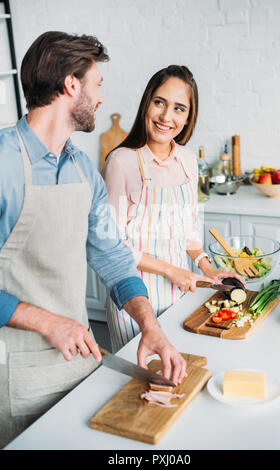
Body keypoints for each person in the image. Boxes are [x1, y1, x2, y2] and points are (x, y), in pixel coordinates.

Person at [0, 32, 186, 449]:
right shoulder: (3, 164)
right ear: (71, 84)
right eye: (97, 83)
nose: (101, 97)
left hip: (78, 365)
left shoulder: (83, 169)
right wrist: (46, 321)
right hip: (13, 376)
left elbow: (115, 261)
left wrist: (149, 327)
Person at [102, 65, 244, 352]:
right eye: (159, 103)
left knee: (179, 374)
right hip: (134, 297)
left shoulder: (187, 160)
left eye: (179, 108)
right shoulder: (122, 161)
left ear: (189, 116)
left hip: (180, 292)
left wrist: (207, 268)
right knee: (142, 384)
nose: (167, 117)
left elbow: (187, 230)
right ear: (147, 103)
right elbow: (112, 246)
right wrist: (172, 271)